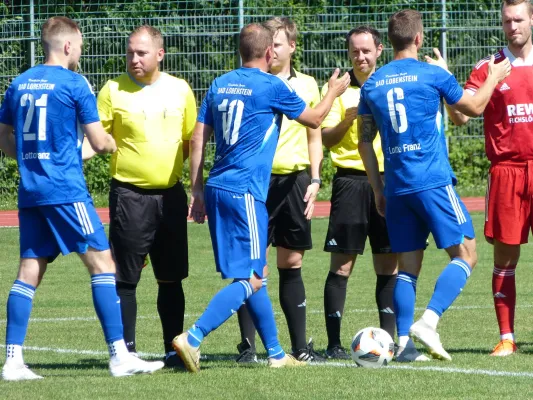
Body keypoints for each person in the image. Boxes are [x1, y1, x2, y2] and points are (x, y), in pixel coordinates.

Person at [172, 22, 350, 373]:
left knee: (256, 273)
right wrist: (333, 91)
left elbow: (197, 138)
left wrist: (196, 189)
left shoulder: (220, 83)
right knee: (251, 277)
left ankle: (275, 353)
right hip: (245, 192)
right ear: (269, 53)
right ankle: (192, 337)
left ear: (241, 50)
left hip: (218, 187)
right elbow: (314, 119)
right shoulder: (272, 85)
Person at [0, 16, 164, 381]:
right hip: (66, 191)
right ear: (69, 46)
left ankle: (12, 361)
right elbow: (100, 139)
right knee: (104, 264)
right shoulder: (74, 83)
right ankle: (120, 356)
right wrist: (112, 143)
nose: (80, 53)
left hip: (31, 192)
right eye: (80, 47)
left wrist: (34, 160)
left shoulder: (19, 83)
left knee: (28, 270)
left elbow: (4, 138)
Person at [357, 9, 510, 361]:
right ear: (419, 39)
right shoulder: (430, 74)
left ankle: (404, 344)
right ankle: (429, 320)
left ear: (389, 41)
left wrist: (377, 187)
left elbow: (365, 140)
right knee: (467, 254)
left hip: (395, 187)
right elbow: (471, 108)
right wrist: (493, 75)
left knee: (407, 267)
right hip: (432, 182)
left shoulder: (372, 84)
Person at [94, 25, 196, 367]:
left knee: (171, 276)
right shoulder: (112, 90)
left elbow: (189, 141)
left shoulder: (180, 90)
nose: (134, 59)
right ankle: (126, 353)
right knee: (125, 276)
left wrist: (186, 181)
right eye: (130, 52)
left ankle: (173, 350)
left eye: (141, 53)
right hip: (128, 196)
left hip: (170, 197)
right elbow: (97, 139)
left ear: (160, 54)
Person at [320, 25, 416, 361]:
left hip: (389, 182)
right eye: (354, 52)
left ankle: (387, 343)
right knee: (342, 266)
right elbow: (326, 138)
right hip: (350, 182)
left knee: (388, 266)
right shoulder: (339, 88)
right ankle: (333, 344)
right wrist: (348, 120)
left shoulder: (389, 84)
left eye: (366, 51)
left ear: (379, 50)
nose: (360, 57)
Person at [234, 17, 325, 363]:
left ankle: (300, 347)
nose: (273, 50)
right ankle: (249, 348)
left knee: (292, 261)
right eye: (270, 44)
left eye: (280, 44)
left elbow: (313, 134)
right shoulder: (251, 84)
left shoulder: (306, 84)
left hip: (294, 182)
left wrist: (315, 179)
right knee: (253, 266)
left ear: (292, 48)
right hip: (257, 183)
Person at [445, 0, 533, 357]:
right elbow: (461, 117)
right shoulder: (489, 67)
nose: (513, 27)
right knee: (505, 258)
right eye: (507, 20)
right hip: (508, 172)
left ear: (532, 19)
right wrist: (446, 85)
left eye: (519, 20)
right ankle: (507, 337)